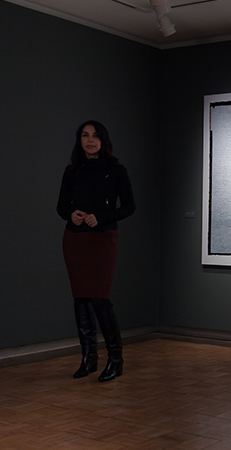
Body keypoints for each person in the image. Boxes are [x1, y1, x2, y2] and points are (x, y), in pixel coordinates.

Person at [57, 120, 135, 382]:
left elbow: (128, 207)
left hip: (102, 238)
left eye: (94, 136)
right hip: (75, 239)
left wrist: (99, 217)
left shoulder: (116, 170)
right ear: (80, 140)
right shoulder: (71, 170)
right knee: (80, 298)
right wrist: (72, 214)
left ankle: (115, 360)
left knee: (100, 298)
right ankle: (88, 359)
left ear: (103, 140)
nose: (90, 140)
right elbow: (61, 207)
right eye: (85, 135)